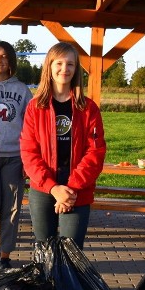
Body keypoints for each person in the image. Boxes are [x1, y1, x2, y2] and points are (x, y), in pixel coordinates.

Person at [20, 42, 106, 249]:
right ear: (49, 67)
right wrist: (53, 188)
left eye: (70, 64)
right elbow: (28, 151)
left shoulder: (88, 108)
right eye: (59, 63)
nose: (64, 69)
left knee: (71, 253)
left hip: (77, 189)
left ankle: (67, 283)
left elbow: (95, 152)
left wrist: (70, 190)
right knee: (44, 249)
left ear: (76, 70)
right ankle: (44, 283)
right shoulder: (35, 106)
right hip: (43, 188)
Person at [0, 41, 32, 269]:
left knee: (11, 209)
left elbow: (31, 124)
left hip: (14, 156)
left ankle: (4, 257)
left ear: (11, 60)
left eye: (3, 57)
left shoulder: (22, 89)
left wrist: (28, 158)